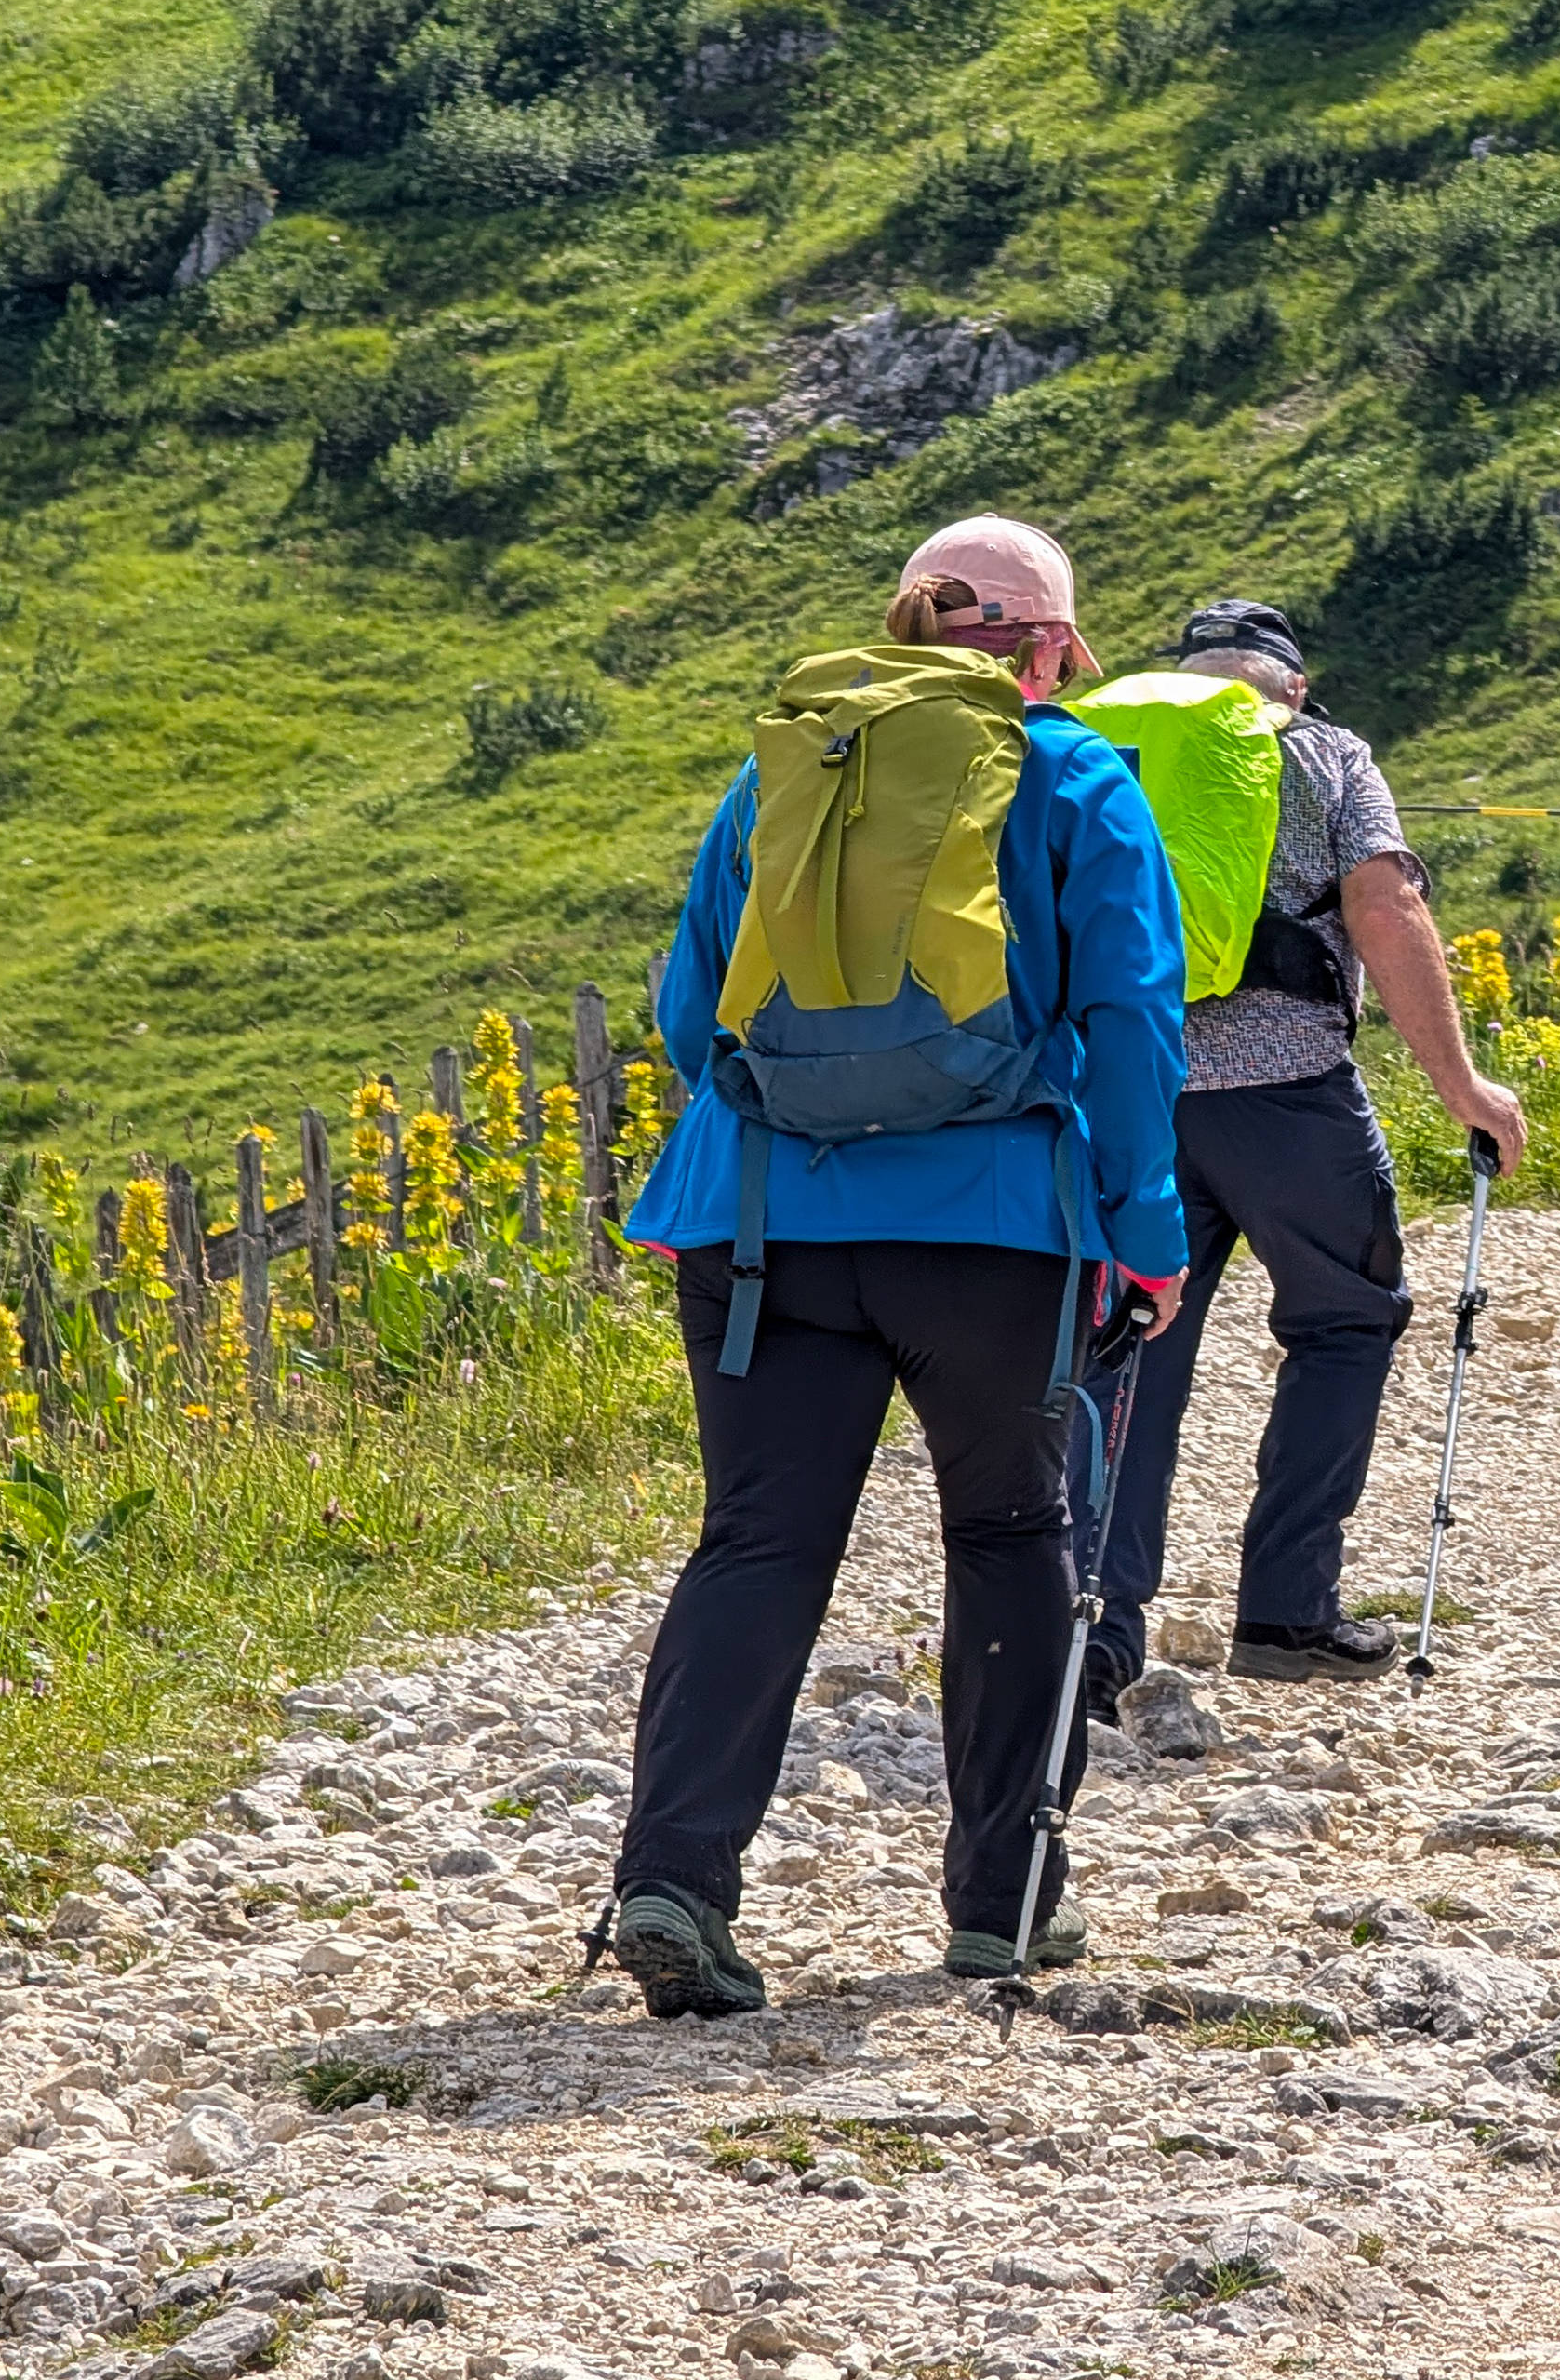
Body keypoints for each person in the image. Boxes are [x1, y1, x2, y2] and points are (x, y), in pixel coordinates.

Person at [604, 515, 1186, 2012]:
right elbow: (1131, 1026)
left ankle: (673, 1882)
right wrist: (1145, 1231)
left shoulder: (782, 772)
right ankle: (1006, 1908)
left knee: (757, 1542)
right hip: (995, 1236)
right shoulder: (1076, 777)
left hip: (762, 1227)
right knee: (1009, 1535)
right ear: (1050, 650)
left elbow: (689, 1019)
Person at [1082, 596, 1527, 1710]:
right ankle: (1287, 1611)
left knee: (1126, 1343)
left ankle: (1095, 1626)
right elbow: (1385, 907)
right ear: (1294, 679)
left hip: (1127, 1091)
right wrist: (1460, 1086)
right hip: (1287, 1098)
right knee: (1343, 1320)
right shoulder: (1325, 750)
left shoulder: (1105, 749)